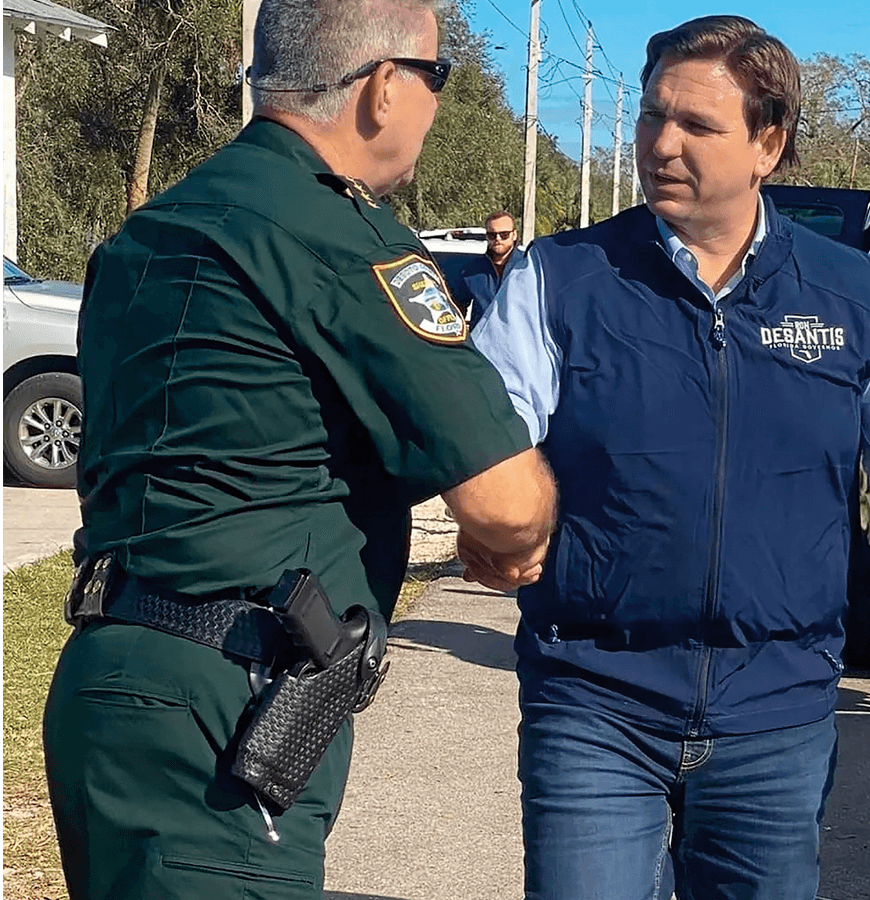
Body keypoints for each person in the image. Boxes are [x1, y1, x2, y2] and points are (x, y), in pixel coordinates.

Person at [470, 15, 870, 900]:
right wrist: (494, 520)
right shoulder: (557, 280)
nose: (662, 142)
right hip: (595, 699)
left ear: (769, 142)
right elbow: (489, 439)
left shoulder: (851, 296)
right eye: (654, 117)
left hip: (779, 709)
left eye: (697, 125)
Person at [42, 2, 556, 898]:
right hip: (225, 709)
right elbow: (506, 503)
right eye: (436, 78)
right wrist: (511, 539)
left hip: (107, 675)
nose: (435, 105)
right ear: (384, 87)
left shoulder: (153, 230)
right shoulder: (342, 240)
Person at [460, 209, 523, 324]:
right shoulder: (471, 270)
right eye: (492, 235)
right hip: (481, 340)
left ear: (514, 235)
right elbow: (458, 311)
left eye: (504, 235)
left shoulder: (527, 266)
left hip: (519, 339)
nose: (498, 239)